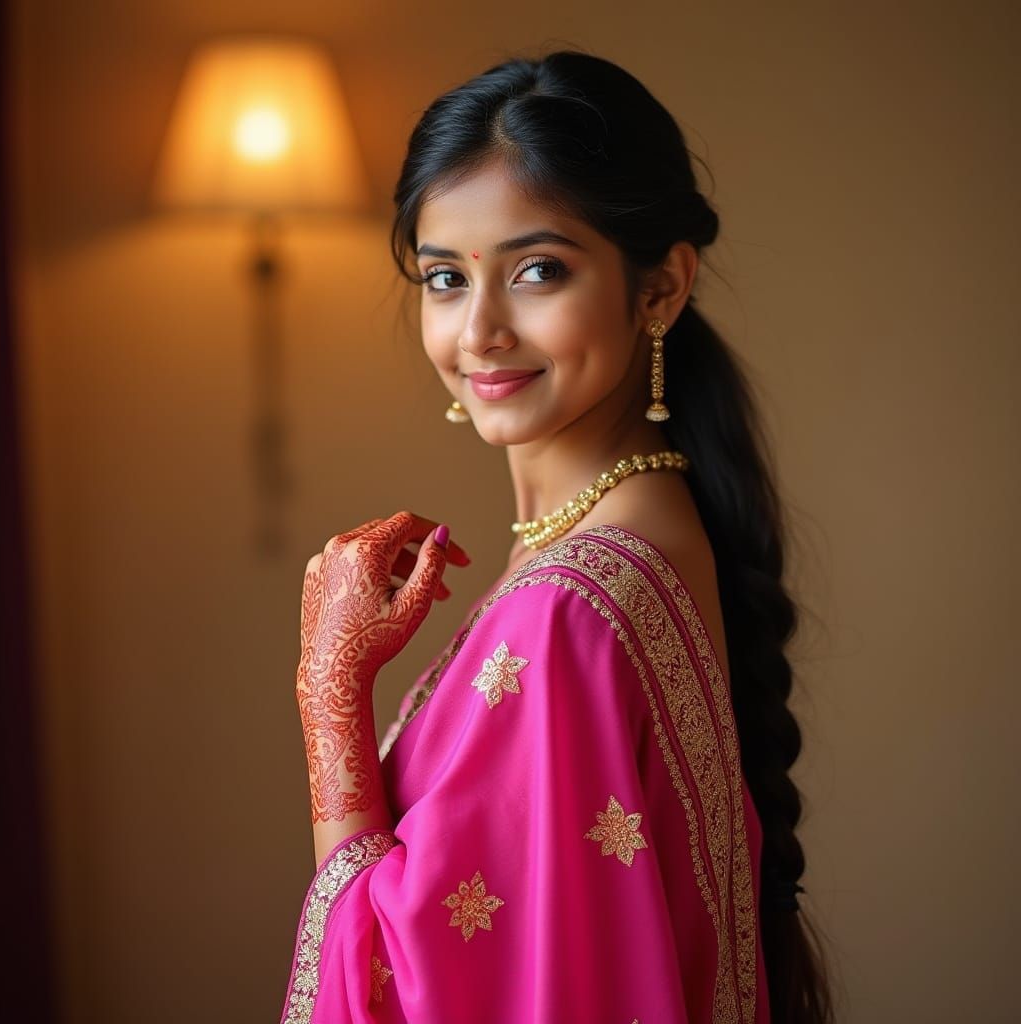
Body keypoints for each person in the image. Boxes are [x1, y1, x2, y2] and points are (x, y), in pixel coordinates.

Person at [279, 50, 833, 1024]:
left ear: (660, 288)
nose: (480, 330)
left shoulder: (567, 605)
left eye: (537, 269)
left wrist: (331, 707)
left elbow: (437, 995)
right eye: (446, 277)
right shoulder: (639, 533)